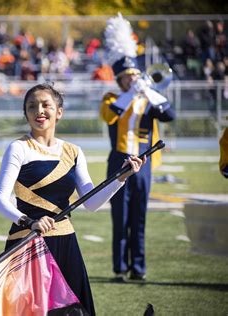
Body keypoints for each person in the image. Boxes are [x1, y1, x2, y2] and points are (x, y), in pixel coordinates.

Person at [0, 83, 145, 316]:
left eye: (46, 105)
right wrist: (29, 221)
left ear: (59, 112)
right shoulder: (19, 148)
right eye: (32, 106)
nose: (39, 111)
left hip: (66, 243)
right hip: (29, 242)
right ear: (26, 114)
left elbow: (91, 203)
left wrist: (120, 179)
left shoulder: (73, 151)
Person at [100, 14, 176, 282]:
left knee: (139, 217)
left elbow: (170, 115)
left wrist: (149, 91)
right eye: (127, 77)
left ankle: (139, 268)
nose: (132, 80)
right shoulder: (112, 98)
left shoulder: (147, 100)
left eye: (135, 76)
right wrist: (132, 93)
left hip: (143, 164)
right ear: (119, 79)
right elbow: (110, 115)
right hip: (118, 162)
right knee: (119, 217)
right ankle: (120, 268)